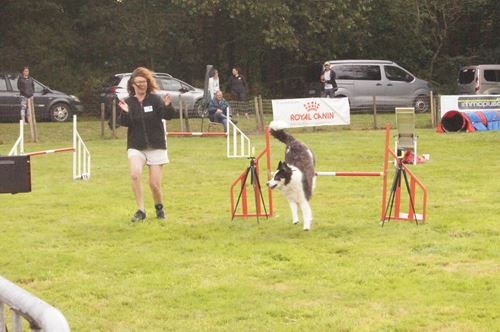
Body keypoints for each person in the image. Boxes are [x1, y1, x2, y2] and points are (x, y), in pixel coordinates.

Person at [118, 67, 175, 222]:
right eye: (138, 83)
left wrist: (168, 106)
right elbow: (125, 123)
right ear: (132, 85)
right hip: (136, 145)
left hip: (156, 145)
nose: (141, 85)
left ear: (148, 83)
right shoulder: (128, 102)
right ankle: (140, 210)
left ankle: (159, 208)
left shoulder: (155, 100)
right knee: (135, 174)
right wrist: (125, 112)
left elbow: (167, 116)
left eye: (144, 82)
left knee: (154, 184)